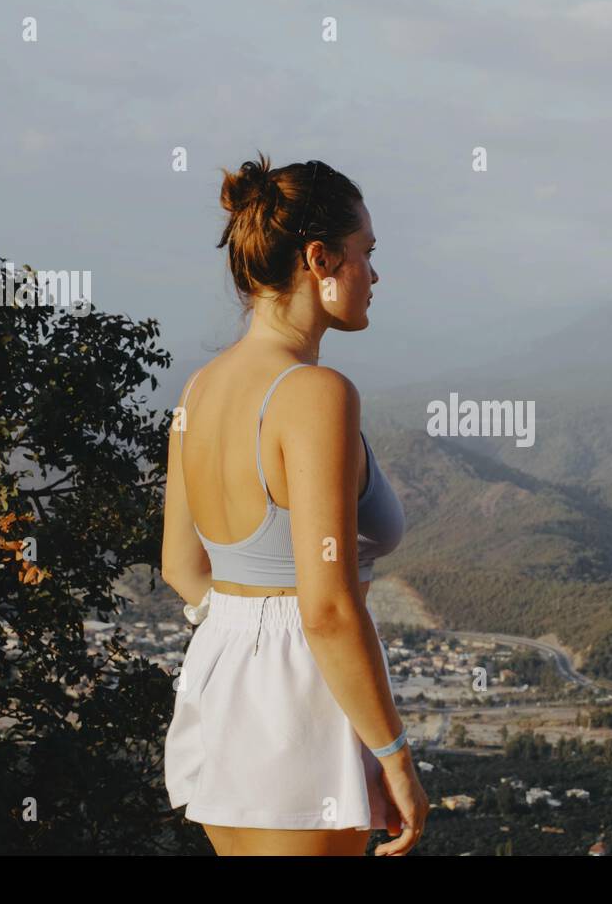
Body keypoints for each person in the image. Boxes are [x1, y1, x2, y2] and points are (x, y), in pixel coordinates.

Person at [161, 155, 428, 855]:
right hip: (303, 696)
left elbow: (180, 566)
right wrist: (393, 754)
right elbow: (329, 608)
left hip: (222, 683)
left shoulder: (199, 390)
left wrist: (244, 633)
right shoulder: (315, 395)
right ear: (320, 259)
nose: (375, 275)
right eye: (366, 254)